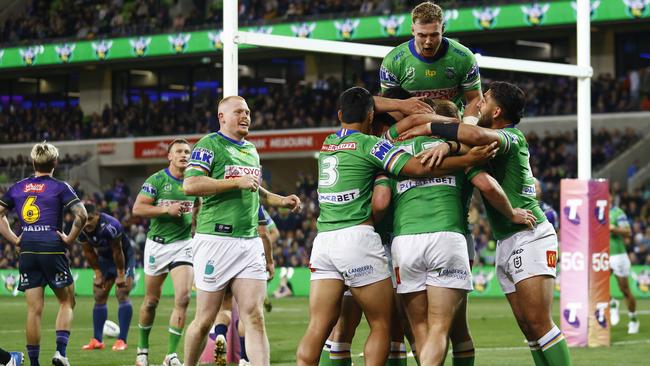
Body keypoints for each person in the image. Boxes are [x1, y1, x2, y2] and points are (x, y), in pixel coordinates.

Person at [296, 87, 497, 366]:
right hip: (360, 237)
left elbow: (391, 124)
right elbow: (413, 172)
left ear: (340, 114)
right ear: (370, 115)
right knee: (384, 324)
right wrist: (465, 159)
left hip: (324, 241)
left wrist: (404, 110)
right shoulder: (372, 146)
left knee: (321, 327)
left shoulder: (328, 144)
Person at [404, 81, 572, 365]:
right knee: (529, 329)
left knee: (539, 323)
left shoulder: (511, 137)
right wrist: (449, 145)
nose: (479, 103)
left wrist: (430, 126)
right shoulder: (485, 145)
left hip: (530, 234)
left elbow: (477, 142)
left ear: (497, 111)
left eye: (486, 99)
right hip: (507, 239)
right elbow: (473, 151)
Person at [182, 95, 301, 366]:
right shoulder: (209, 145)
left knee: (255, 317)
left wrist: (280, 200)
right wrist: (234, 183)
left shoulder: (251, 150)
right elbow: (191, 185)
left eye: (248, 111)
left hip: (248, 242)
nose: (246, 116)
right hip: (215, 240)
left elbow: (254, 188)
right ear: (221, 117)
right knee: (204, 320)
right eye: (238, 112)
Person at [0, 142, 87, 366]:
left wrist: (14, 238)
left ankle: (34, 363)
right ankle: (60, 353)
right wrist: (69, 238)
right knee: (67, 301)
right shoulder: (60, 187)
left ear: (32, 162)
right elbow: (82, 215)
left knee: (34, 310)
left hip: (27, 248)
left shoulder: (18, 187)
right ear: (55, 163)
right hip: (52, 247)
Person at [132, 139, 200, 366]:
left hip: (183, 245)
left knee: (183, 297)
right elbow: (138, 208)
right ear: (169, 156)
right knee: (151, 301)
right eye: (179, 151)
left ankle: (170, 355)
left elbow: (199, 205)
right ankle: (142, 349)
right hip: (157, 245)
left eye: (187, 151)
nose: (184, 154)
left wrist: (196, 225)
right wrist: (166, 210)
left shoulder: (194, 181)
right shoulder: (157, 180)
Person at [380, 1, 483, 123]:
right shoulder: (392, 62)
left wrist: (467, 130)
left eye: (434, 35)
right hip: (411, 128)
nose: (428, 41)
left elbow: (474, 99)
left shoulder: (464, 58)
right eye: (422, 35)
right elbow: (391, 106)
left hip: (452, 126)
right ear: (413, 30)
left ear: (443, 29)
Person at [79, 203, 135, 352]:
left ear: (97, 215)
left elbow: (118, 251)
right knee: (99, 294)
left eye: (90, 219)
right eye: (85, 220)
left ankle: (122, 340)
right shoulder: (80, 227)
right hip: (105, 260)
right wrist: (98, 273)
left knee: (121, 293)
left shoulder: (111, 225)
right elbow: (89, 252)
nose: (87, 223)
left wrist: (121, 274)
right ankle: (97, 340)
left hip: (123, 258)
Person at [608, 195, 640, 334]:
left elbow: (628, 232)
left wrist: (613, 229)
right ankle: (612, 303)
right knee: (593, 285)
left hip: (618, 256)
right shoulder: (594, 212)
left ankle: (633, 319)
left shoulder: (617, 212)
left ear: (610, 196)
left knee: (625, 290)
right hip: (602, 255)